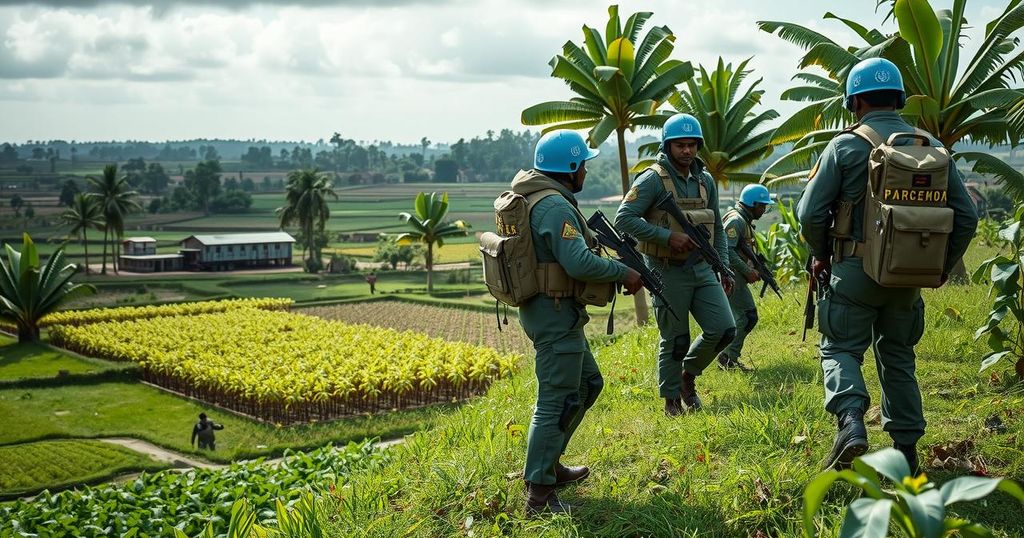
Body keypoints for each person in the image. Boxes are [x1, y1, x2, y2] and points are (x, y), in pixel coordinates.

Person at [796, 58, 978, 474]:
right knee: (898, 358)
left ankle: (851, 424)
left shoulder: (844, 146)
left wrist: (822, 252)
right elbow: (966, 217)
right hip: (908, 278)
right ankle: (907, 455)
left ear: (854, 101)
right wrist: (939, 266)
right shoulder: (931, 146)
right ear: (899, 98)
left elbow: (809, 214)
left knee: (840, 348)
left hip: (854, 273)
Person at [511, 130, 643, 515]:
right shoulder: (554, 207)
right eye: (583, 163)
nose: (586, 169)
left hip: (553, 311)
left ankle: (548, 466)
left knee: (588, 384)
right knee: (558, 400)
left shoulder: (537, 196)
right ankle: (538, 494)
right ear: (569, 168)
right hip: (553, 314)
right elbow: (578, 262)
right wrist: (622, 272)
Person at [615, 113, 736, 416]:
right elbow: (624, 219)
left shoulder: (705, 180)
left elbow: (717, 227)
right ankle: (671, 400)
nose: (686, 151)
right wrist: (667, 236)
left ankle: (687, 377)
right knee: (676, 338)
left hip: (701, 267)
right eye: (680, 145)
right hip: (665, 268)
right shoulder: (653, 179)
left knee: (724, 329)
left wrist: (723, 265)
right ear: (667, 146)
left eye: (692, 145)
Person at [717, 184, 775, 372]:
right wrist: (747, 271)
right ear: (753, 203)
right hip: (732, 276)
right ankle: (728, 358)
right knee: (747, 317)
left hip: (736, 277)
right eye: (762, 205)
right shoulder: (737, 221)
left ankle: (729, 357)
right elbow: (727, 250)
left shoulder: (743, 220)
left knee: (744, 317)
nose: (764, 209)